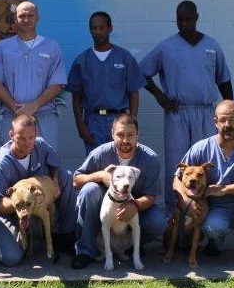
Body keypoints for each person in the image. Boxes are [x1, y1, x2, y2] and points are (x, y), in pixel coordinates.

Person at [139, 0, 233, 210]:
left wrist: (230, 113)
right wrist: (160, 97)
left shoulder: (211, 45)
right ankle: (176, 216)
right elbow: (142, 72)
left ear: (197, 18)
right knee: (178, 164)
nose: (184, 23)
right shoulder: (166, 47)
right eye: (180, 19)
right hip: (178, 113)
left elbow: (224, 80)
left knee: (206, 165)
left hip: (205, 112)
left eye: (188, 19)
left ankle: (207, 215)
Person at [175, 100, 234, 269]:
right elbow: (177, 178)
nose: (227, 125)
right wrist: (187, 203)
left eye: (232, 120)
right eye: (223, 120)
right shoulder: (202, 147)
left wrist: (223, 190)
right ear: (215, 122)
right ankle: (216, 240)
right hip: (217, 209)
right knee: (211, 228)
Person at [70, 114, 166, 269]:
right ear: (112, 134)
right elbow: (76, 180)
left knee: (158, 221)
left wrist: (134, 205)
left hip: (135, 206)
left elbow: (151, 196)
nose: (125, 140)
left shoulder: (150, 158)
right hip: (104, 204)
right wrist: (100, 175)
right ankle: (85, 251)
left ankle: (134, 245)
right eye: (120, 135)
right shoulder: (100, 153)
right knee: (89, 191)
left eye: (130, 135)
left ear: (137, 135)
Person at [0, 114, 78, 266]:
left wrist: (54, 181)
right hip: (6, 211)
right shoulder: (1, 164)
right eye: (21, 138)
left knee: (67, 177)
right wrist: (22, 203)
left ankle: (64, 235)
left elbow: (55, 161)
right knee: (12, 257)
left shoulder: (39, 144)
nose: (28, 143)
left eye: (31, 137)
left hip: (30, 204)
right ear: (11, 135)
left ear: (36, 135)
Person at [0, 1, 67, 150]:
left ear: (37, 18)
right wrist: (16, 109)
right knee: (12, 164)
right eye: (22, 16)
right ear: (15, 19)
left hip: (44, 116)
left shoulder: (52, 46)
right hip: (11, 116)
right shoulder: (2, 47)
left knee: (46, 163)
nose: (26, 19)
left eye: (30, 15)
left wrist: (33, 106)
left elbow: (57, 84)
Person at [67, 12, 146, 155]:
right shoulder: (82, 61)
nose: (98, 32)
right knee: (95, 166)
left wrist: (132, 122)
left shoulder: (124, 57)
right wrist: (80, 125)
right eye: (94, 28)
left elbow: (133, 93)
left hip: (119, 119)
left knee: (121, 166)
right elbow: (76, 97)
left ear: (110, 28)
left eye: (101, 27)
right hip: (92, 121)